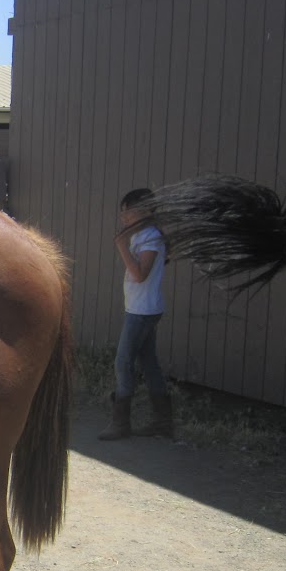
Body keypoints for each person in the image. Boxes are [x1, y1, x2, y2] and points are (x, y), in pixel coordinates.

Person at [99, 187, 173, 440]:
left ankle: (121, 424)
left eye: (127, 212)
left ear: (144, 211)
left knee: (123, 361)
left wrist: (121, 246)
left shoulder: (151, 237)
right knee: (149, 363)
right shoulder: (142, 236)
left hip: (143, 311)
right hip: (140, 307)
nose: (123, 218)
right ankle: (163, 422)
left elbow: (140, 274)